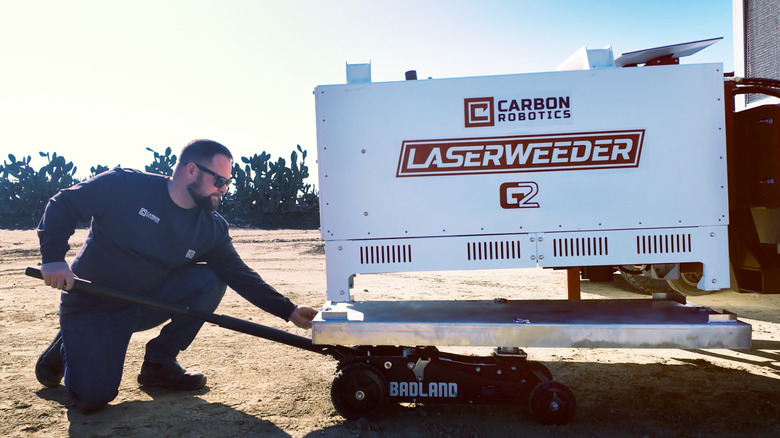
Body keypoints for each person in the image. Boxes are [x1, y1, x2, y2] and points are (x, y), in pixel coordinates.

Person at [34, 139, 318, 413]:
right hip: (93, 303)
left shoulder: (210, 227)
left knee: (211, 278)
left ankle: (159, 363)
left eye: (228, 183)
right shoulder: (126, 185)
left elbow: (240, 274)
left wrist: (289, 310)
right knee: (93, 398)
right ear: (191, 170)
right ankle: (67, 345)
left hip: (146, 302)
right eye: (219, 181)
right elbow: (64, 203)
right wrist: (54, 259)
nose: (224, 190)